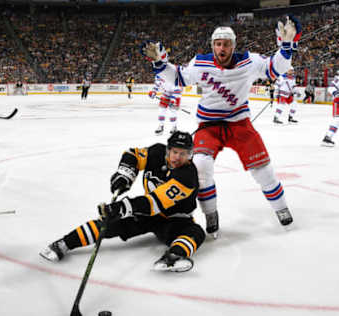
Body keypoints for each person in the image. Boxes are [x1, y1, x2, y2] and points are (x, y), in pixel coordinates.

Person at [141, 16, 301, 237]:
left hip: (239, 124)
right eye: (218, 44)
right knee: (201, 167)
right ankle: (211, 214)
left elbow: (276, 68)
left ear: (233, 46)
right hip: (209, 126)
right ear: (213, 46)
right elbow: (177, 78)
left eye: (226, 44)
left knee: (263, 171)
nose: (222, 48)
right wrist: (159, 63)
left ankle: (281, 208)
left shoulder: (249, 62)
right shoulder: (201, 63)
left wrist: (285, 48)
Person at [40, 131, 205, 272]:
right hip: (147, 215)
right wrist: (125, 175)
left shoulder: (187, 176)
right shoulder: (156, 152)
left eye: (184, 154)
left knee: (196, 232)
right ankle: (63, 244)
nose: (178, 157)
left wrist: (122, 207)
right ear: (168, 150)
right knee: (109, 223)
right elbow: (132, 155)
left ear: (190, 155)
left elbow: (154, 203)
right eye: (175, 152)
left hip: (176, 220)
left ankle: (173, 256)